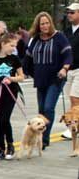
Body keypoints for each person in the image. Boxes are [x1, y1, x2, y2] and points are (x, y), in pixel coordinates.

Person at [22, 11, 73, 149]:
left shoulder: (59, 37)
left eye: (46, 23)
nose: (44, 26)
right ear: (38, 26)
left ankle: (45, 139)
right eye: (41, 24)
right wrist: (24, 72)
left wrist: (64, 68)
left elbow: (68, 55)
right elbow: (27, 58)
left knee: (48, 107)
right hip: (40, 79)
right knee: (41, 109)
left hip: (56, 78)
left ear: (50, 23)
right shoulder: (36, 39)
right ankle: (39, 137)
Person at [62, 3, 79, 140]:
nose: (69, 15)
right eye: (68, 12)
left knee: (75, 99)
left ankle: (72, 128)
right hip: (69, 69)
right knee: (72, 99)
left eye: (72, 12)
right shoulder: (66, 31)